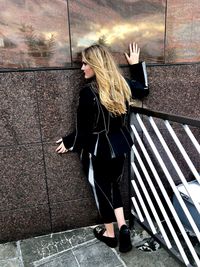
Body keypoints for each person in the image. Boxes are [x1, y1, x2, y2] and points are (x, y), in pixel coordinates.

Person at [56, 42, 149, 252]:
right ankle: (123, 226)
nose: (82, 68)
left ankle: (110, 233)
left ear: (96, 65)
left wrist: (68, 142)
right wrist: (135, 65)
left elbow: (83, 130)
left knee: (102, 191)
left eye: (85, 64)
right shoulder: (122, 84)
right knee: (113, 186)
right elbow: (143, 90)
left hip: (97, 151)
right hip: (120, 146)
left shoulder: (88, 93)